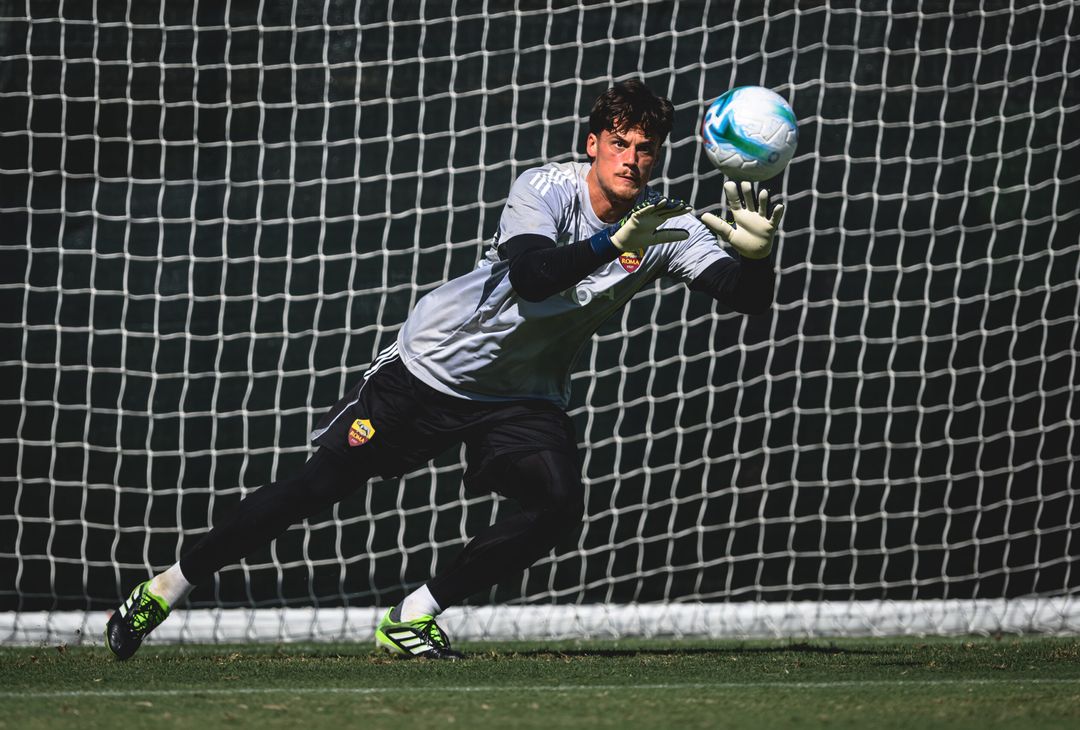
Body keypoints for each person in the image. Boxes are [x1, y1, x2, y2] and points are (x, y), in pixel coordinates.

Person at [106, 79, 785, 661]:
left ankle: (413, 616)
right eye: (619, 142)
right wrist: (612, 242)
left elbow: (746, 298)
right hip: (432, 369)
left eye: (645, 148)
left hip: (523, 396)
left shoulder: (664, 224)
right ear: (592, 145)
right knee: (313, 489)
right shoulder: (544, 188)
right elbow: (531, 276)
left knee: (556, 506)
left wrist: (757, 257)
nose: (631, 159)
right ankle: (165, 588)